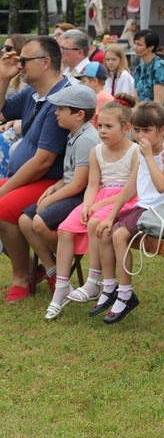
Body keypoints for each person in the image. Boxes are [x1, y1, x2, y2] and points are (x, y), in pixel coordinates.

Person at [95, 101, 164, 324]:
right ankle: (109, 286)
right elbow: (131, 187)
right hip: (145, 207)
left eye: (147, 130)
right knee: (105, 228)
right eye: (137, 130)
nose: (141, 135)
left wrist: (148, 157)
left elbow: (162, 186)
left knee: (119, 235)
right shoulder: (140, 151)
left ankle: (126, 293)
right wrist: (110, 216)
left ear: (163, 130)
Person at [17, 85, 100, 318]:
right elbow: (70, 175)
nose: (56, 112)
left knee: (40, 222)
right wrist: (54, 186)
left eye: (61, 108)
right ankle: (55, 271)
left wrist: (51, 198)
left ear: (79, 114)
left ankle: (67, 253)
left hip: (82, 196)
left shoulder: (86, 140)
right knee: (25, 220)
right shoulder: (74, 134)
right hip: (71, 190)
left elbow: (78, 184)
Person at [0, 36, 70, 302]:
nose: (19, 65)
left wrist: (6, 187)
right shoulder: (33, 92)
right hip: (29, 179)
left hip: (50, 182)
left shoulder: (60, 100)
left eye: (24, 60)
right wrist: (3, 78)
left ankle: (22, 277)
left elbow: (43, 162)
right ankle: (31, 269)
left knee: (3, 207)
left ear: (45, 62)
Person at [59, 94, 139, 308]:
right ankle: (61, 285)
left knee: (95, 223)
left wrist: (99, 206)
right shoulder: (96, 152)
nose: (102, 130)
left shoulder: (135, 151)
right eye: (99, 125)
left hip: (124, 201)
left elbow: (133, 190)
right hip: (99, 199)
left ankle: (93, 281)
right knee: (65, 227)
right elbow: (93, 185)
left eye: (108, 126)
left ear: (125, 128)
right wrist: (87, 205)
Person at [132, 29, 164, 121]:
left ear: (151, 47)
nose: (135, 47)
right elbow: (136, 99)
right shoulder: (139, 68)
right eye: (135, 44)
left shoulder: (159, 66)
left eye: (139, 45)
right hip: (142, 114)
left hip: (160, 117)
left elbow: (158, 103)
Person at [0, 34, 26, 178]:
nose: (4, 50)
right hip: (10, 119)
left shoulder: (23, 77)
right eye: (3, 47)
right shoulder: (7, 73)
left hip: (18, 125)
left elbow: (22, 109)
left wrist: (10, 122)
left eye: (8, 48)